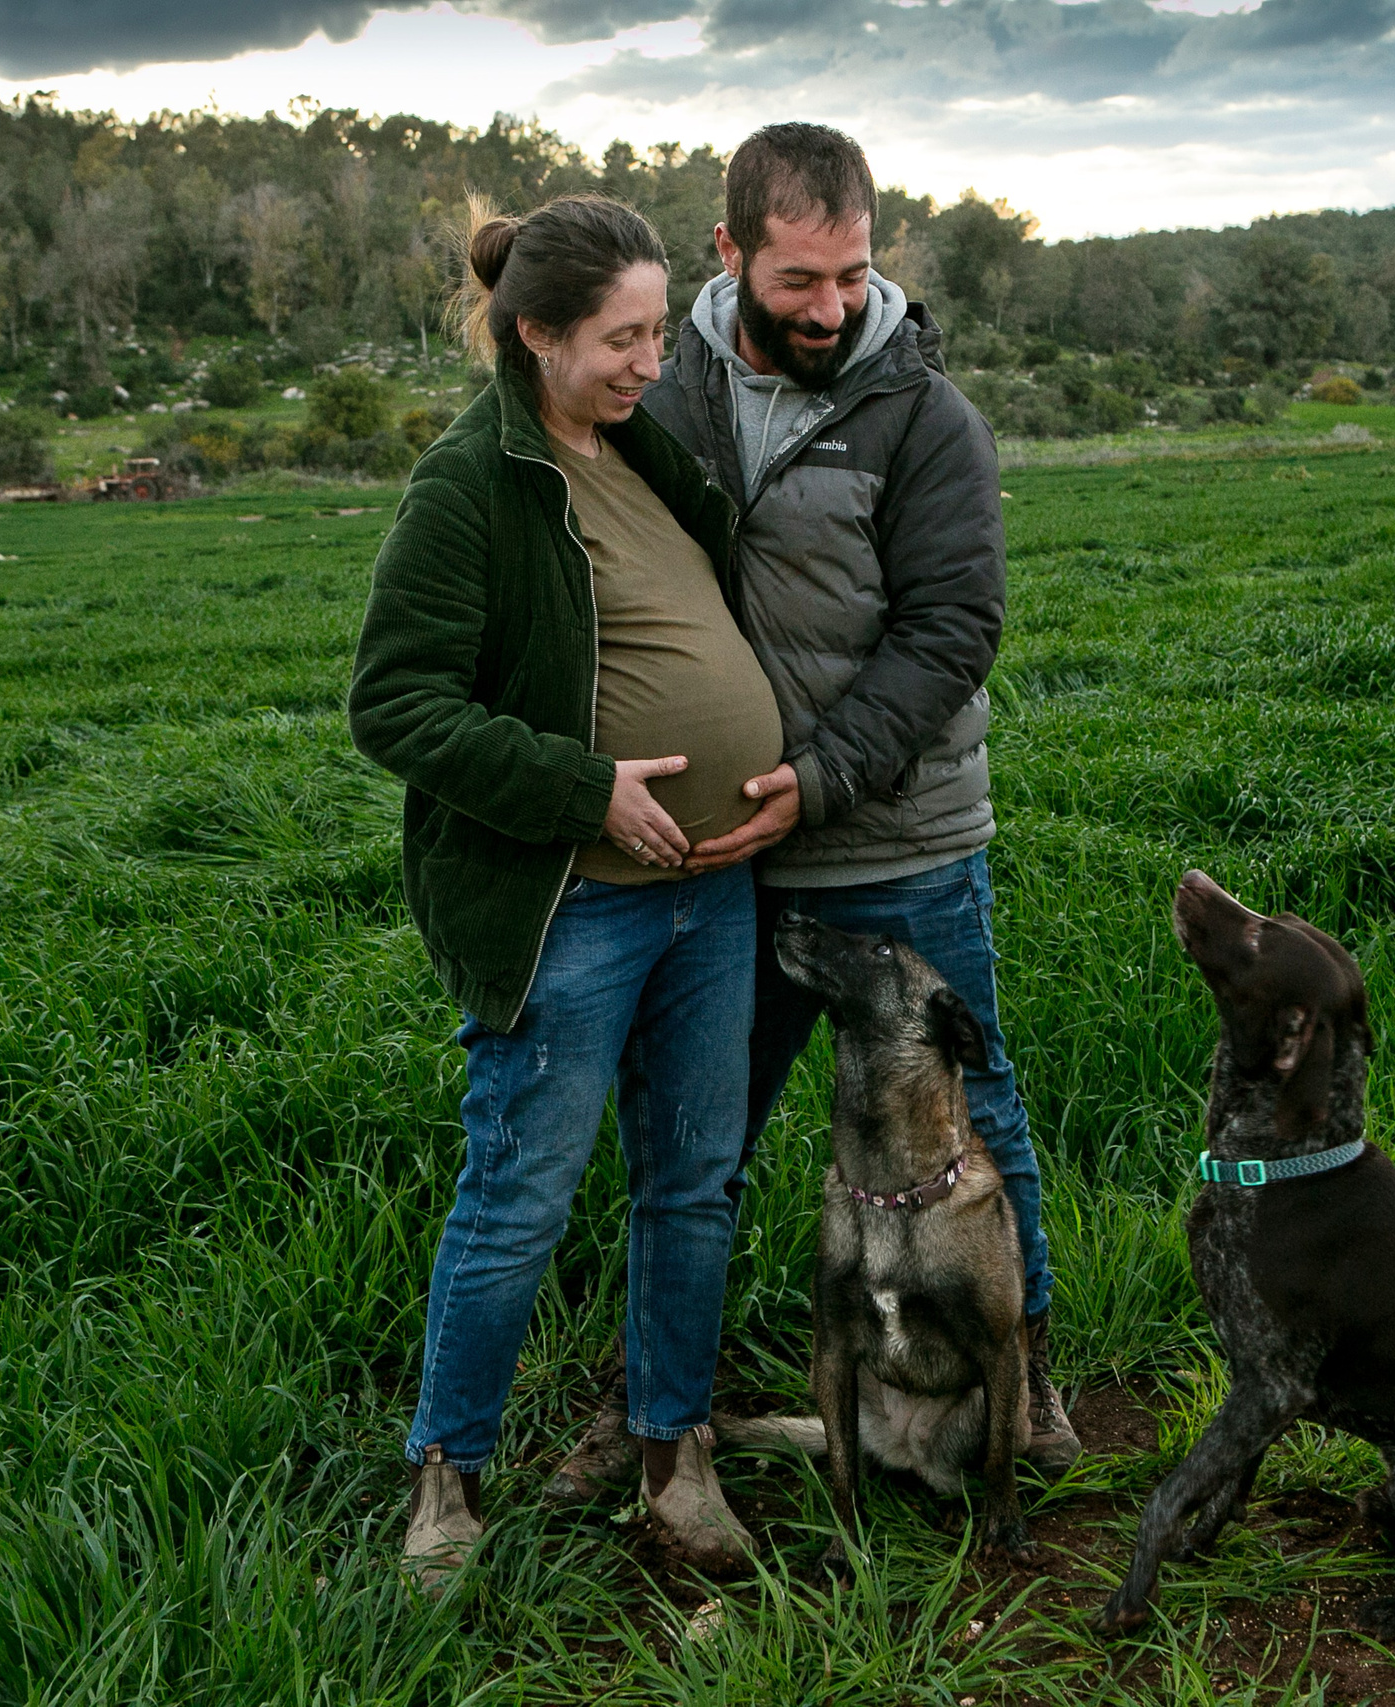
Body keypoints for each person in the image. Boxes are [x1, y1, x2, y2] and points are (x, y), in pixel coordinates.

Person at [547, 124, 1079, 1507]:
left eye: (851, 275)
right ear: (729, 254)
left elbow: (956, 625)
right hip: (727, 860)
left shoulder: (926, 417)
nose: (833, 307)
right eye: (800, 280)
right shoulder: (663, 393)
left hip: (896, 839)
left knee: (976, 1112)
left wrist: (824, 776)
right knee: (695, 1139)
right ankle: (663, 1406)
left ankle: (1025, 1374)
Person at [348, 194, 783, 1592]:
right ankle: (446, 1477)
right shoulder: (473, 482)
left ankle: (675, 1454)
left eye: (661, 329)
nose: (656, 359)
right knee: (519, 1198)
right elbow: (396, 705)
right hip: (576, 906)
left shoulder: (641, 447)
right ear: (535, 333)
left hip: (711, 895)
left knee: (693, 1186)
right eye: (622, 337)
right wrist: (586, 787)